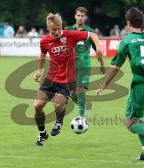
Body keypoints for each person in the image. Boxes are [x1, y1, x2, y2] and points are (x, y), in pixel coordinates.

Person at [96, 7, 144, 161]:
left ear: (128, 23)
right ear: (142, 23)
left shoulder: (127, 41)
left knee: (129, 122)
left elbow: (116, 66)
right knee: (137, 119)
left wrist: (104, 84)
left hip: (140, 87)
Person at [33, 13, 103, 146]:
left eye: (59, 28)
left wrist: (98, 49)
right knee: (37, 106)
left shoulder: (70, 34)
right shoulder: (44, 41)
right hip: (50, 79)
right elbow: (42, 54)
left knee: (58, 105)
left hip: (66, 80)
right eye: (54, 29)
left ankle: (58, 122)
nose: (58, 32)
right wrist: (40, 69)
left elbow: (92, 35)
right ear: (48, 28)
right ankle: (42, 134)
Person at [66, 7, 105, 118]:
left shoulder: (90, 32)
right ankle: (82, 106)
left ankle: (81, 116)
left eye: (82, 16)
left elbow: (98, 50)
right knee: (71, 92)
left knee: (80, 89)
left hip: (83, 65)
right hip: (70, 66)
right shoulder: (68, 30)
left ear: (86, 17)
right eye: (78, 15)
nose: (80, 18)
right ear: (75, 16)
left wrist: (102, 63)